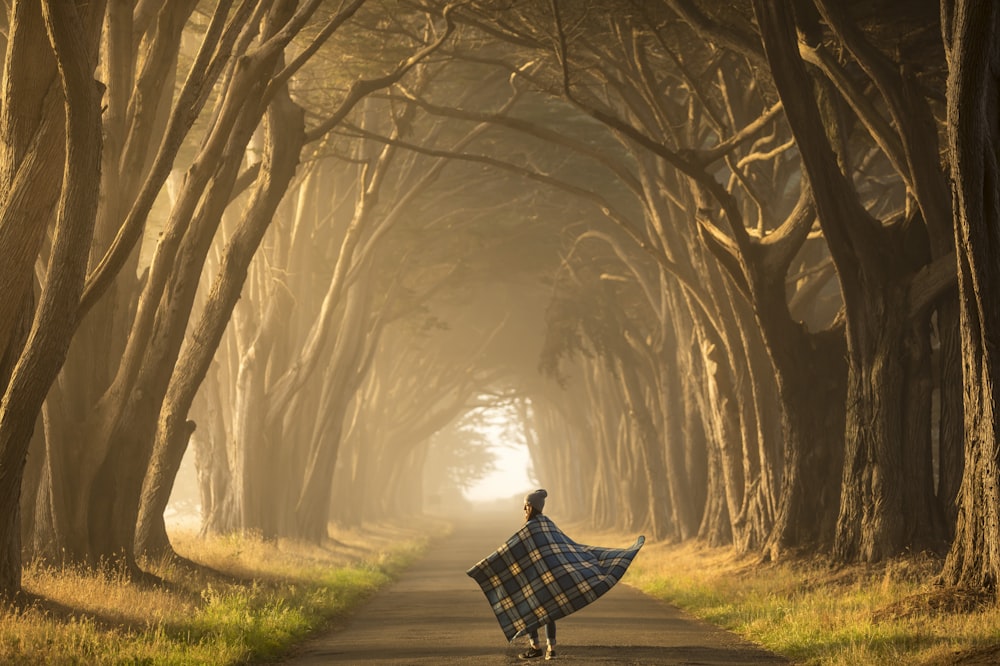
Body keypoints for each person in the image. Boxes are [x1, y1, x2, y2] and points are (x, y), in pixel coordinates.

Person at [519, 489, 556, 661]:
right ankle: (551, 649)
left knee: (529, 611)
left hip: (534, 576)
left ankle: (535, 647)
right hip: (550, 574)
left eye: (525, 505)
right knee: (549, 613)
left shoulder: (529, 527)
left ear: (531, 506)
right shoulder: (548, 524)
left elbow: (521, 551)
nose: (523, 509)